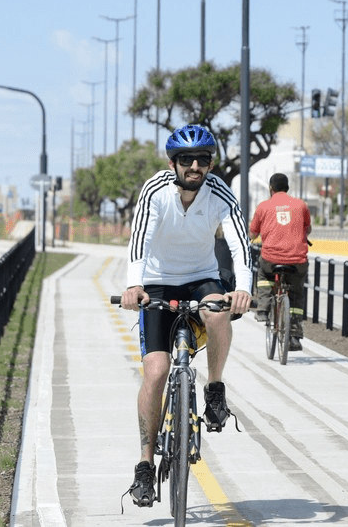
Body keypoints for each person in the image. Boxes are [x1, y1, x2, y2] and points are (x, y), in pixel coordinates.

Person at [119, 124, 252, 507]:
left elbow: (241, 246)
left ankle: (214, 388)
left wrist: (242, 287)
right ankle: (144, 466)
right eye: (187, 159)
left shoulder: (219, 192)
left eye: (203, 159)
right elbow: (139, 239)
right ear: (172, 161)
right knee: (157, 372)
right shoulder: (155, 190)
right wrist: (134, 285)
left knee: (217, 312)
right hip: (157, 283)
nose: (195, 165)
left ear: (211, 162)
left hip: (201, 277)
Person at [249, 173, 312, 351]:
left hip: (271, 259)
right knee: (296, 292)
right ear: (288, 188)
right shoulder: (301, 205)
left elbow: (252, 233)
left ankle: (262, 308)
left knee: (262, 272)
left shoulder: (263, 206)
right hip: (297, 260)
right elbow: (307, 229)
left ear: (271, 188)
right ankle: (295, 335)